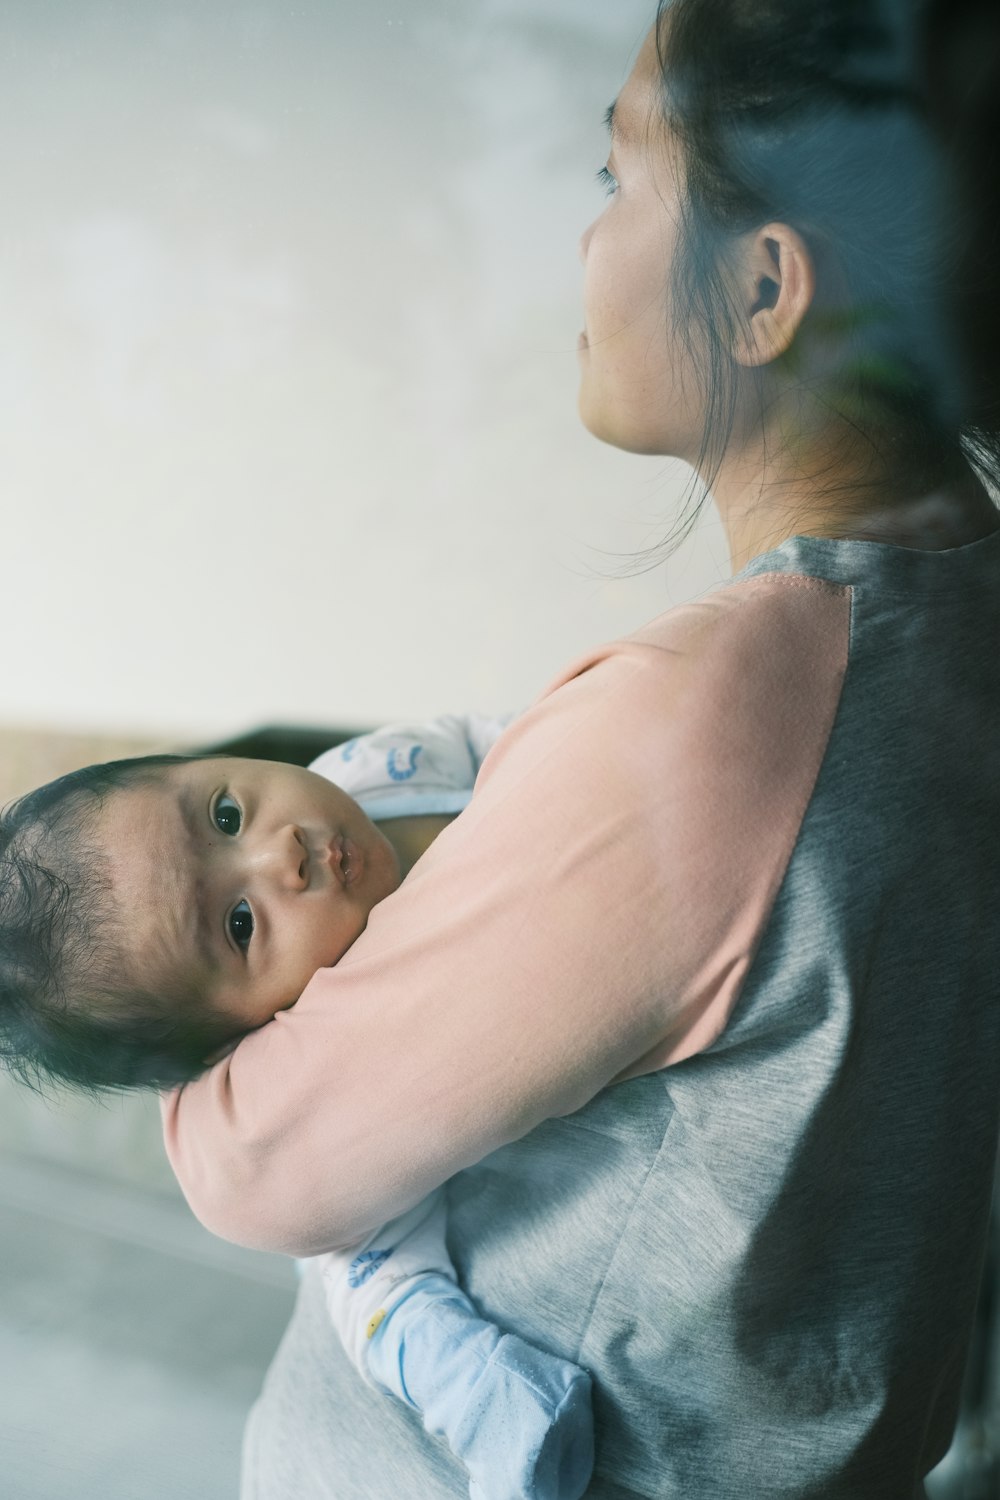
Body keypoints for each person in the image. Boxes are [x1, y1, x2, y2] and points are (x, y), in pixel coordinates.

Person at [64, 0, 1000, 1493]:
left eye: (615, 180)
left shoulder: (710, 717)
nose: (587, 243)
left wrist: (173, 1022)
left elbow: (259, 1161)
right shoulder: (964, 596)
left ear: (764, 290)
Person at [0, 717, 595, 1500]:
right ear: (236, 1036)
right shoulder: (333, 1048)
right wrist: (469, 1382)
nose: (280, 853)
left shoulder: (376, 769)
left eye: (223, 815)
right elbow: (367, 1265)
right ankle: (484, 1404)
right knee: (370, 1285)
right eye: (240, 925)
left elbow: (497, 738)